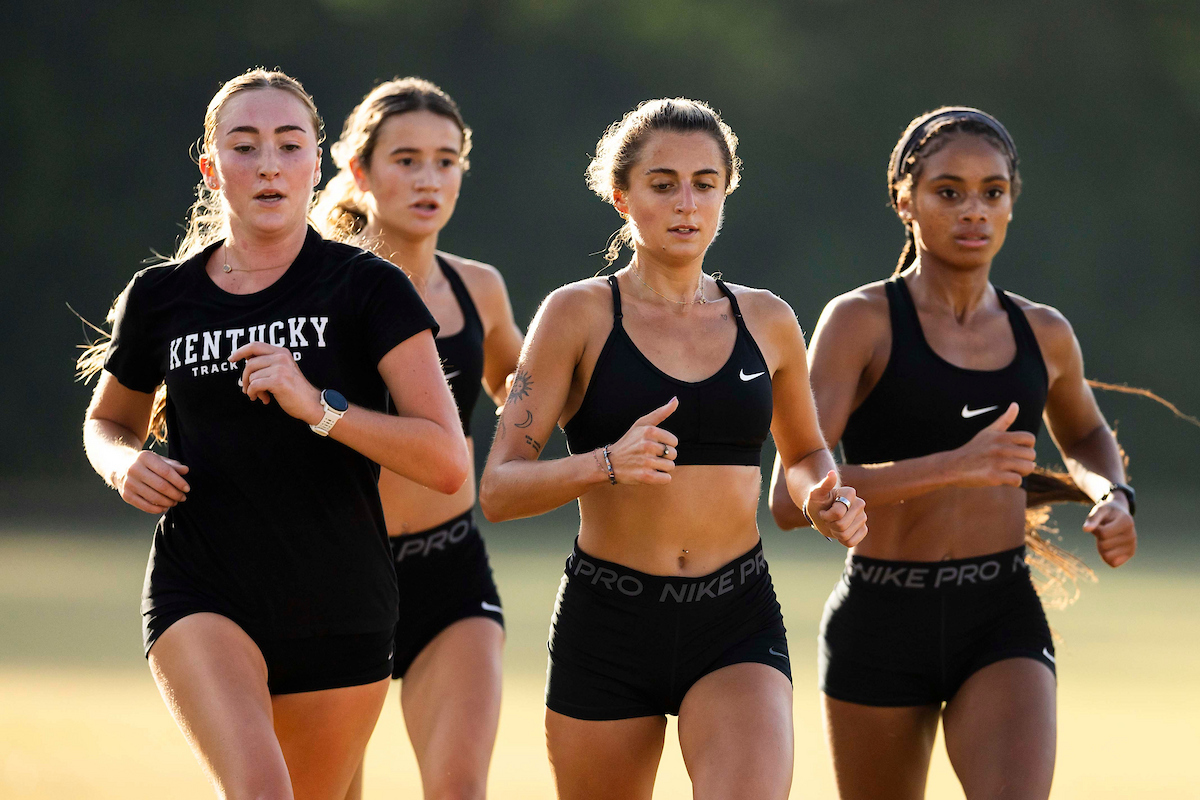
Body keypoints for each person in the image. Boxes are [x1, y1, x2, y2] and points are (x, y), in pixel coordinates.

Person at [78, 68, 469, 799]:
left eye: (289, 146)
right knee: (262, 791)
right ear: (211, 167)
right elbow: (108, 421)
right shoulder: (162, 296)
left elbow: (446, 461)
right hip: (202, 588)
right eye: (244, 145)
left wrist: (316, 405)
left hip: (341, 601)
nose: (267, 165)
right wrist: (122, 463)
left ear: (316, 165)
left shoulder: (369, 287)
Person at [479, 97, 868, 800]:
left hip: (735, 615)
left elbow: (807, 451)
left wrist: (824, 494)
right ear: (623, 196)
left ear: (726, 192)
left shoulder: (768, 318)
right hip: (609, 621)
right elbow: (500, 488)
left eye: (705, 183)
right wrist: (604, 464)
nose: (686, 203)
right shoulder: (577, 314)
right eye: (663, 184)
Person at [769, 106, 1138, 800]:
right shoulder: (860, 322)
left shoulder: (1044, 332)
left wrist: (1112, 495)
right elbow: (792, 496)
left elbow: (1084, 433)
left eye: (992, 192)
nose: (974, 210)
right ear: (904, 201)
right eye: (948, 191)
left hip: (999, 612)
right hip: (880, 619)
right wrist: (952, 467)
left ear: (1011, 203)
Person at [315, 76, 523, 800]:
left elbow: (524, 393)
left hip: (450, 570)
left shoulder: (479, 289)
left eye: (447, 159)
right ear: (359, 171)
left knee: (460, 790)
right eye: (406, 160)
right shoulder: (311, 290)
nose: (430, 178)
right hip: (330, 578)